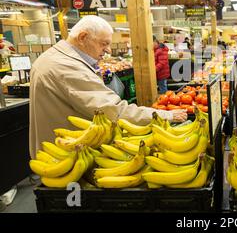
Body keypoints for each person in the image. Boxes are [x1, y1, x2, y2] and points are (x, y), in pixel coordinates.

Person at [29, 16, 187, 159]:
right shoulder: (65, 66)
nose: (108, 50)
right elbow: (112, 111)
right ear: (83, 37)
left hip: (65, 146)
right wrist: (166, 115)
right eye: (104, 44)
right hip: (66, 154)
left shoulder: (55, 57)